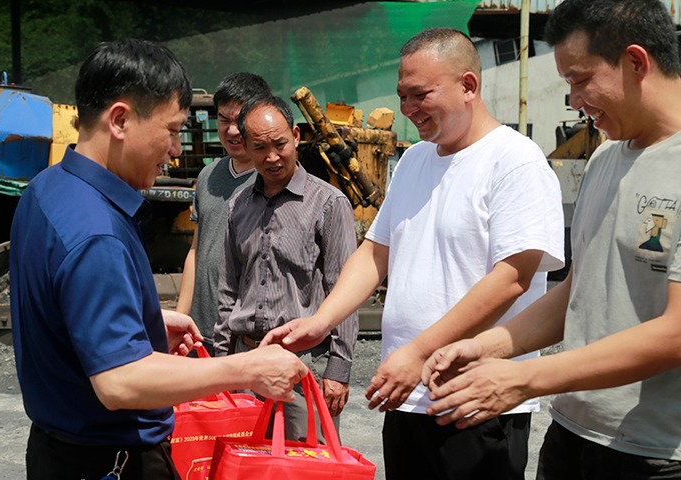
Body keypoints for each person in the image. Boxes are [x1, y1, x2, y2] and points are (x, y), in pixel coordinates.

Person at [261, 28, 565, 479]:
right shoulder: (415, 161)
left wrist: (420, 352)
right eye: (403, 95)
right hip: (405, 392)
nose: (407, 109)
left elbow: (511, 278)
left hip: (476, 399)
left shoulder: (515, 161)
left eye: (420, 95)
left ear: (468, 86)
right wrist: (320, 321)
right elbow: (375, 253)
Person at [9, 39, 307, 480]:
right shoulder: (96, 233)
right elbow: (119, 381)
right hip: (110, 460)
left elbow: (64, 310)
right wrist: (246, 368)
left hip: (59, 452)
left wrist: (144, 320)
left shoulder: (48, 189)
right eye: (171, 130)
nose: (174, 149)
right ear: (120, 120)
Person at [421, 1, 681, 479]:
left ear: (636, 62)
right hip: (572, 435)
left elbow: (676, 331)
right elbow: (579, 291)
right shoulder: (606, 159)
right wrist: (489, 346)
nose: (574, 100)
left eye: (580, 79)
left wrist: (525, 378)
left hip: (657, 453)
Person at [214, 95, 359, 440]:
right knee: (245, 469)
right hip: (245, 364)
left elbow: (346, 290)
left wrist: (338, 370)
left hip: (300, 368)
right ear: (247, 148)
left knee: (306, 467)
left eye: (279, 143)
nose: (272, 156)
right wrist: (220, 363)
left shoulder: (329, 204)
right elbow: (228, 291)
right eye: (260, 147)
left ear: (296, 136)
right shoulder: (238, 205)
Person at [176, 72, 272, 355]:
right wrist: (183, 318)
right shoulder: (208, 176)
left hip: (243, 339)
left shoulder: (272, 179)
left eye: (240, 120)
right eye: (224, 119)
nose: (232, 130)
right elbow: (196, 249)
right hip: (199, 333)